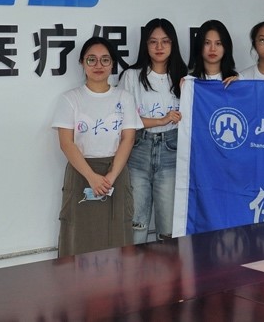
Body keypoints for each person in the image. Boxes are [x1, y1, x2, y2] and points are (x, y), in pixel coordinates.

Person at [52, 36, 143, 256]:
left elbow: (128, 139)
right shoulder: (70, 98)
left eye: (105, 59)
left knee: (117, 235)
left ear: (113, 64)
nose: (98, 65)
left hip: (115, 172)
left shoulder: (124, 97)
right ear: (82, 63)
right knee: (79, 237)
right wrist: (92, 177)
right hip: (81, 172)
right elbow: (66, 143)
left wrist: (110, 176)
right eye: (91, 59)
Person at [120, 18, 186, 244]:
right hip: (138, 148)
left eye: (165, 41)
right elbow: (125, 119)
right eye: (153, 41)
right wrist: (162, 120)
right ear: (145, 45)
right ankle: (133, 267)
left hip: (172, 150)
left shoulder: (184, 77)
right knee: (136, 223)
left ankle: (168, 268)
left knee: (168, 228)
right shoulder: (131, 76)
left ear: (173, 44)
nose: (159, 47)